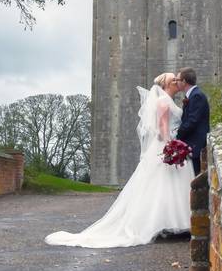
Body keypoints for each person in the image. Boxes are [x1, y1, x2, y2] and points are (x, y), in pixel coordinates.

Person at [45, 73, 193, 248]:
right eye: (173, 79)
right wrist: (172, 146)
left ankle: (172, 223)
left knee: (169, 187)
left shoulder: (169, 101)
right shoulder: (162, 102)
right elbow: (162, 130)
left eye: (177, 79)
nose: (177, 81)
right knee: (161, 187)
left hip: (170, 146)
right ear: (166, 83)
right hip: (165, 146)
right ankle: (160, 224)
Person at [175, 67, 210, 176]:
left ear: (184, 81)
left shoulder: (197, 96)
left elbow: (192, 121)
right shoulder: (192, 95)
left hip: (196, 145)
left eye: (178, 80)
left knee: (195, 176)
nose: (176, 83)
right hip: (192, 144)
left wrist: (177, 135)